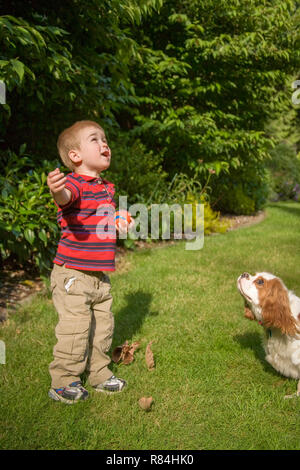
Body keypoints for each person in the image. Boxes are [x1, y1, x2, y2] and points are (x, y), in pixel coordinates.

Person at [46, 120, 132, 404]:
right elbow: (66, 199)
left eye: (105, 139)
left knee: (102, 326)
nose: (104, 144)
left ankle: (98, 372)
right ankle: (63, 381)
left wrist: (118, 220)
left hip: (98, 276)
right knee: (76, 327)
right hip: (73, 274)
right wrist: (56, 190)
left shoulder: (106, 188)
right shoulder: (73, 183)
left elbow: (98, 220)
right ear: (75, 156)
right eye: (95, 139)